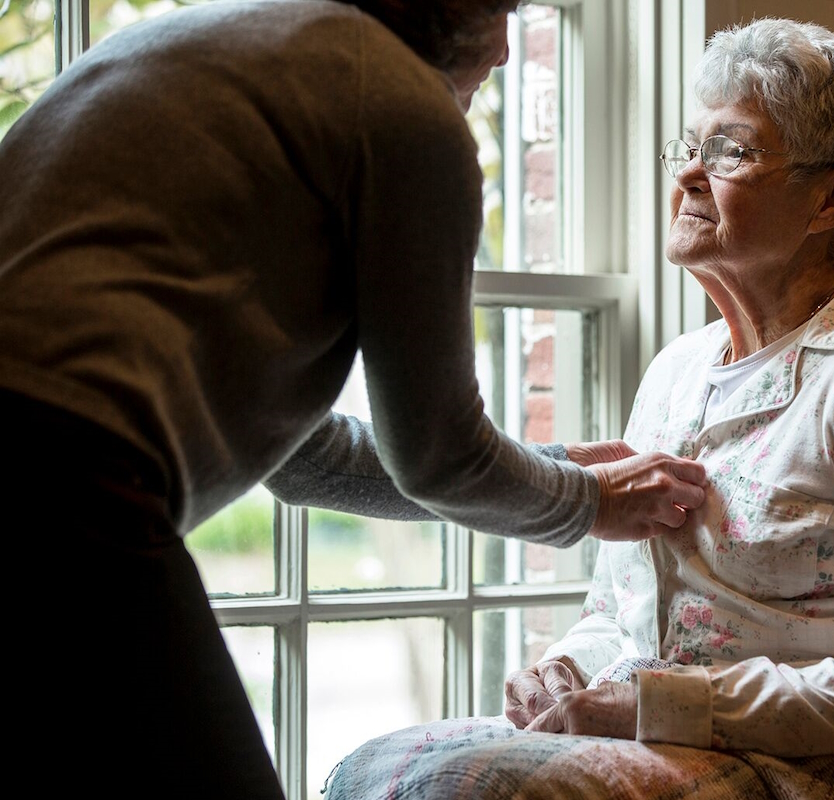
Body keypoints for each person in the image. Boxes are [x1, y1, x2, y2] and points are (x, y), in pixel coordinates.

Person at [0, 1, 707, 798]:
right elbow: (441, 457)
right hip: (58, 482)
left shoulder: (202, 51)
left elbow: (303, 462)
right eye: (501, 11)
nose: (507, 53)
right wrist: (588, 501)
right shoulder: (402, 109)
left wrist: (554, 467)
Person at [317, 16, 834, 800]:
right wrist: (566, 669)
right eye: (690, 147)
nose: (689, 176)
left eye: (732, 151)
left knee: (464, 791)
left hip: (806, 772)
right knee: (372, 769)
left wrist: (670, 705)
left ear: (833, 198)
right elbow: (624, 613)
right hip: (667, 742)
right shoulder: (677, 370)